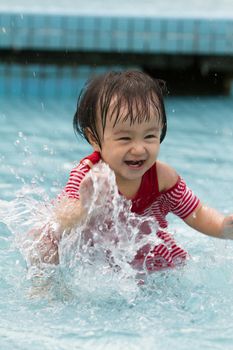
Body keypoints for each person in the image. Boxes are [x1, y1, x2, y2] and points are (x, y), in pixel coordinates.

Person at [33, 70, 233, 271]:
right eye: (125, 138)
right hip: (96, 262)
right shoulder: (89, 176)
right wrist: (85, 207)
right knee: (42, 237)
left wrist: (223, 227)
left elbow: (196, 212)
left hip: (150, 257)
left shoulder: (162, 178)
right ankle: (43, 286)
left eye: (149, 136)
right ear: (94, 139)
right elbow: (61, 218)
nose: (139, 149)